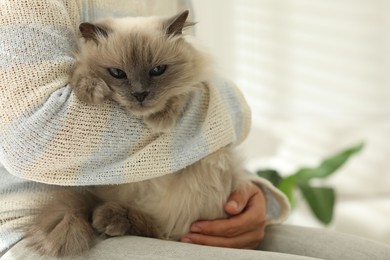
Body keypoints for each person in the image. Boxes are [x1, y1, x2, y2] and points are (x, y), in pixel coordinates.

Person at [0, 1, 389, 259]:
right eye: (119, 75)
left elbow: (185, 139)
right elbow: (35, 138)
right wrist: (232, 105)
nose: (138, 92)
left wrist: (249, 196)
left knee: (369, 254)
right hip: (33, 224)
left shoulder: (168, 7)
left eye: (154, 75)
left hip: (183, 209)